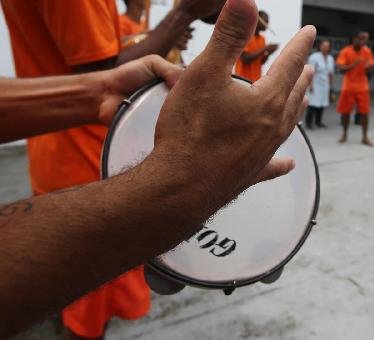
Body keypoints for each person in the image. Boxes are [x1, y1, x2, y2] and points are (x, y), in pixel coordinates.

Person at [0, 0, 316, 336]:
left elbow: (98, 72)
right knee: (84, 305)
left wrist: (99, 93)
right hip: (84, 158)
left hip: (76, 148)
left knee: (84, 292)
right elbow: (99, 62)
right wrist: (175, 192)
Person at [337, 30, 374, 146]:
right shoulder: (346, 51)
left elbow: (371, 67)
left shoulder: (367, 51)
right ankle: (344, 134)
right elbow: (341, 69)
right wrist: (354, 64)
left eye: (365, 39)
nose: (363, 41)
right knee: (345, 113)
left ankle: (365, 137)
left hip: (363, 87)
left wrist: (369, 68)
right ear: (354, 38)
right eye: (361, 38)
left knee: (365, 113)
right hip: (348, 87)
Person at [235, 10, 279, 81]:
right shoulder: (246, 35)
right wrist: (264, 49)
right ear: (257, 19)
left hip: (255, 81)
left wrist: (268, 53)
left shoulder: (262, 39)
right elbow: (245, 59)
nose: (267, 24)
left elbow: (261, 62)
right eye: (266, 21)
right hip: (242, 80)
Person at [305, 40, 334, 129]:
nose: (325, 47)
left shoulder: (330, 58)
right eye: (324, 45)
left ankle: (318, 122)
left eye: (327, 46)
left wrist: (330, 86)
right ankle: (309, 123)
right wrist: (311, 85)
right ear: (320, 46)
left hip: (325, 85)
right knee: (313, 104)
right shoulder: (314, 57)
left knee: (322, 104)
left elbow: (330, 73)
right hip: (315, 83)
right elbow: (310, 71)